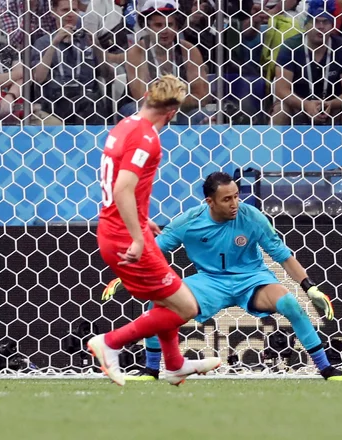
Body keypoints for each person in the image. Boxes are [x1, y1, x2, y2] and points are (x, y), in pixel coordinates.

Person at [102, 172, 342, 382]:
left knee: (290, 304)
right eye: (227, 199)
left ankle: (326, 369)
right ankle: (151, 370)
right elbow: (154, 251)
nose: (235, 203)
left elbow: (282, 255)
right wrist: (127, 276)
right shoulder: (188, 222)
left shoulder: (252, 216)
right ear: (209, 202)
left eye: (236, 196)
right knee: (158, 303)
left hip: (253, 279)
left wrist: (309, 287)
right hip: (210, 281)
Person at [88, 75, 221, 387]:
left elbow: (114, 185)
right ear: (173, 112)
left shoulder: (125, 124)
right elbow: (122, 188)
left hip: (114, 226)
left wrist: (141, 220)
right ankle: (109, 342)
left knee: (166, 299)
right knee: (187, 306)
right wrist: (136, 235)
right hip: (124, 236)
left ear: (146, 95)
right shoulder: (147, 139)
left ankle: (174, 365)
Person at [273, 0, 342, 125]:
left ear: (332, 25)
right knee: (280, 110)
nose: (320, 26)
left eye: (325, 22)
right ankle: (274, 145)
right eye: (315, 21)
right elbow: (281, 89)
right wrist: (306, 105)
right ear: (306, 24)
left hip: (333, 107)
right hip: (298, 106)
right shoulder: (291, 46)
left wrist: (331, 104)